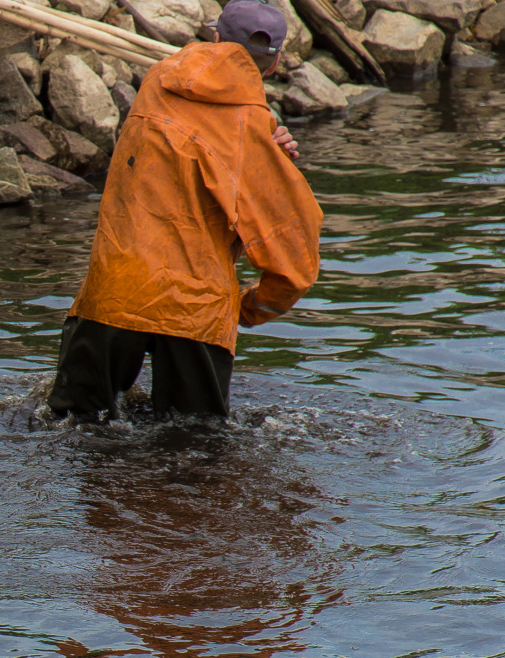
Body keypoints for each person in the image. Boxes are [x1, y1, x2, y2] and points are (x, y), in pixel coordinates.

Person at [46, 0, 323, 420]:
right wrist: (244, 308)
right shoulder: (253, 130)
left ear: (214, 38)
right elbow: (294, 264)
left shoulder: (157, 80)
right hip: (196, 313)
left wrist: (263, 139)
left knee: (72, 429)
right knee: (194, 449)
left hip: (114, 290)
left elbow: (193, 133)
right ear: (275, 63)